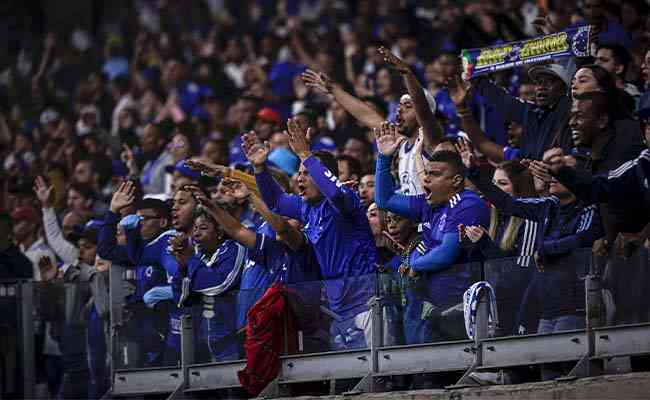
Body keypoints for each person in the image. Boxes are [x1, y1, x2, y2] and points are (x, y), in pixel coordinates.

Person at [458, 139, 602, 380]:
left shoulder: (589, 208)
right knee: (547, 375)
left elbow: (583, 239)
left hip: (576, 308)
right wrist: (474, 173)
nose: (554, 177)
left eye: (564, 172)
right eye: (553, 173)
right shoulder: (549, 205)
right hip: (548, 310)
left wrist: (544, 248)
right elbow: (507, 203)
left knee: (569, 376)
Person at [247, 119, 378, 350]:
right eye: (299, 173)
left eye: (307, 173)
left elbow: (335, 195)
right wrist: (260, 169)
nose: (299, 178)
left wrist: (306, 154)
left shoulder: (347, 200)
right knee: (348, 376)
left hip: (366, 302)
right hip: (337, 309)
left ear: (326, 176)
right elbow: (276, 202)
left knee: (377, 372)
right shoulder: (307, 207)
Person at [374, 123, 490, 340]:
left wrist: (411, 265)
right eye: (425, 173)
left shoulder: (467, 203)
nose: (425, 179)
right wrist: (384, 158)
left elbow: (446, 253)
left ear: (456, 180)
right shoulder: (428, 204)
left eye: (434, 174)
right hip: (429, 308)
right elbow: (384, 200)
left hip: (457, 309)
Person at [98, 182, 179, 366]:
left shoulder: (170, 245)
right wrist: (112, 211)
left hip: (171, 327)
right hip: (145, 330)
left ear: (163, 222)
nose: (138, 223)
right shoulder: (137, 250)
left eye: (144, 219)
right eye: (137, 218)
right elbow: (105, 250)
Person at [169, 210, 246, 362]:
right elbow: (183, 299)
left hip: (232, 344)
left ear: (220, 232)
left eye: (203, 228)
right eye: (195, 228)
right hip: (204, 345)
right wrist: (183, 266)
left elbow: (219, 284)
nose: (196, 233)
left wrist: (190, 260)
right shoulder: (199, 257)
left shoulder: (234, 249)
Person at [468, 63, 572, 159]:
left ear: (564, 89)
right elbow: (500, 99)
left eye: (550, 82)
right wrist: (474, 77)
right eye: (539, 82)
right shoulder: (531, 113)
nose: (541, 87)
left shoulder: (570, 113)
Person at [11, 206, 56, 281]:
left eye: (17, 222)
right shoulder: (17, 250)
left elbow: (43, 287)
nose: (13, 228)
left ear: (32, 225)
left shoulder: (44, 253)